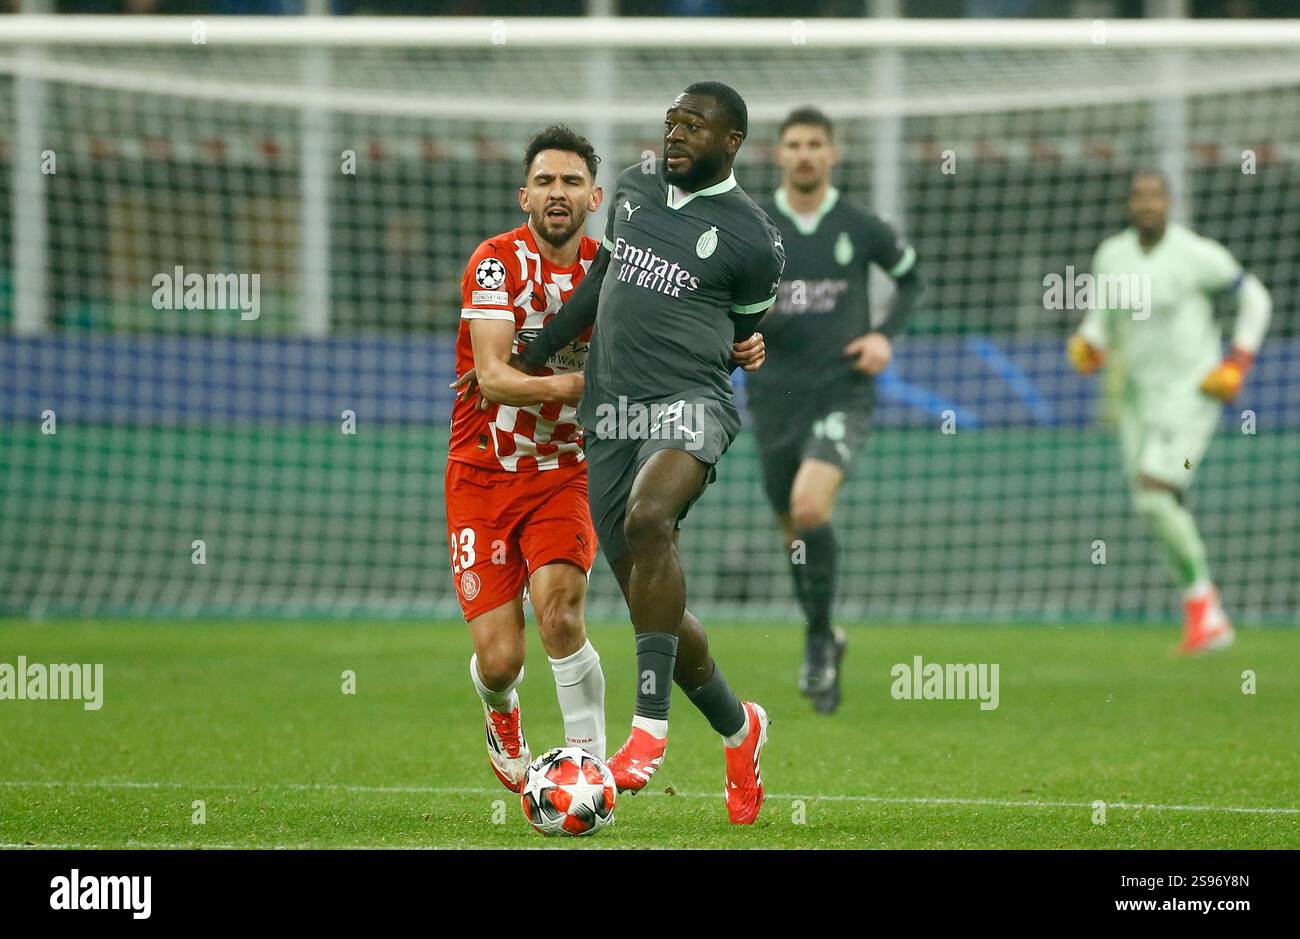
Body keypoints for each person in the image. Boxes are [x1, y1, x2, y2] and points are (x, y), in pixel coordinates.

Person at [751, 106, 924, 713]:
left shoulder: (860, 224)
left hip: (841, 390)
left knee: (809, 506)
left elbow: (911, 279)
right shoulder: (754, 224)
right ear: (779, 154)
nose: (804, 154)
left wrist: (883, 337)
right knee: (792, 531)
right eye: (794, 144)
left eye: (814, 144)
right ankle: (823, 631)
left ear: (832, 154)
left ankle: (819, 640)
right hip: (773, 396)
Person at [1067, 169, 1272, 655]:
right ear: (1128, 204)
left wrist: (1237, 363)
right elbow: (1101, 321)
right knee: (1153, 500)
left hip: (1193, 396)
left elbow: (1255, 297)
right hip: (1138, 399)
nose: (1147, 205)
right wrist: (1088, 345)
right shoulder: (1111, 255)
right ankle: (1204, 613)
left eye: (1155, 196)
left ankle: (1206, 609)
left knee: (1157, 490)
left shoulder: (1196, 254)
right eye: (1139, 197)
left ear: (1170, 202)